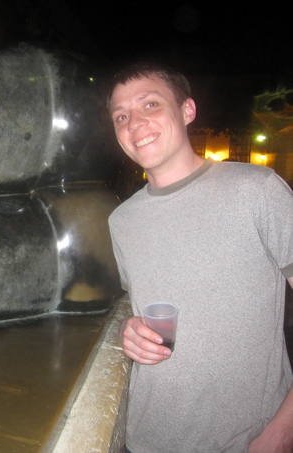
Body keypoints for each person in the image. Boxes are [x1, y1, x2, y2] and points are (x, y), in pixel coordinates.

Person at [106, 62, 293, 453]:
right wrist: (128, 330)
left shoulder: (257, 191)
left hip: (246, 441)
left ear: (187, 110)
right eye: (121, 116)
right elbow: (137, 304)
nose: (134, 123)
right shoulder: (122, 221)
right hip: (146, 440)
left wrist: (283, 430)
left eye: (151, 104)